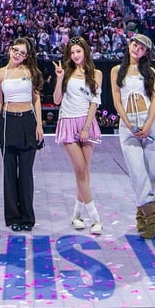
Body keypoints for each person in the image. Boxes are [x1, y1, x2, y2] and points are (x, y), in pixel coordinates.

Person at [111, 33, 155, 239]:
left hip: (151, 122)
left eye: (142, 48)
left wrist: (148, 123)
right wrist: (128, 124)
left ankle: (142, 216)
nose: (137, 49)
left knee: (153, 173)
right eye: (135, 45)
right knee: (137, 172)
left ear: (145, 53)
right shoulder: (117, 71)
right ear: (129, 44)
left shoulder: (150, 71)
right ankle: (154, 220)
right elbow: (117, 100)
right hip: (129, 125)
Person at [0, 37, 44, 232]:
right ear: (9, 49)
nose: (17, 55)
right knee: (9, 172)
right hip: (8, 122)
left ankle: (28, 217)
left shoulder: (30, 72)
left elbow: (36, 99)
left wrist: (39, 125)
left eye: (22, 53)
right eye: (15, 50)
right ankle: (13, 216)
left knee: (26, 173)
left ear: (27, 56)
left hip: (28, 122)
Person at [52, 36, 104, 235]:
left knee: (84, 173)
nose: (75, 55)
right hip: (67, 122)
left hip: (86, 123)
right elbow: (56, 100)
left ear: (85, 52)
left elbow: (94, 103)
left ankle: (76, 216)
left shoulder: (96, 73)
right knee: (81, 170)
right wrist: (59, 79)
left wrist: (86, 127)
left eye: (78, 51)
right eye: (72, 52)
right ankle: (96, 218)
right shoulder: (66, 73)